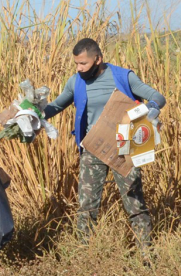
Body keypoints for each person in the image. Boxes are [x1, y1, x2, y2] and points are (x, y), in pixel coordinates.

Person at [44, 38, 167, 262]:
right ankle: (83, 255)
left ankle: (146, 253)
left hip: (124, 148)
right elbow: (57, 105)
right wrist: (34, 115)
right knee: (87, 204)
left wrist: (150, 108)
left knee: (134, 201)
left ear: (98, 59)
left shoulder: (123, 76)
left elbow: (158, 97)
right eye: (76, 64)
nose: (79, 69)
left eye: (83, 64)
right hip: (93, 148)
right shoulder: (76, 82)